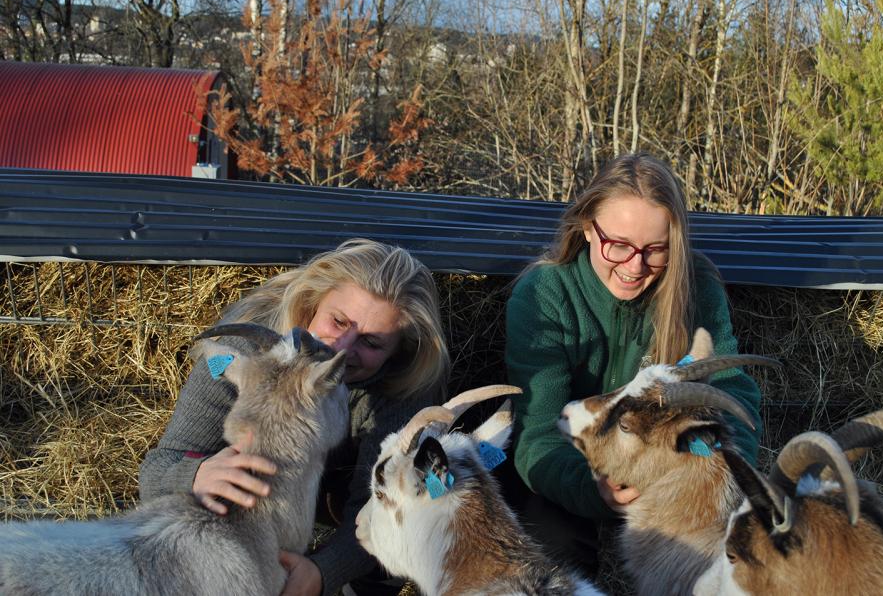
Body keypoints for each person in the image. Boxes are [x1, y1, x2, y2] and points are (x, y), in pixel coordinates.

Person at [139, 238, 451, 596]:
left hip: (338, 493)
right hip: (256, 499)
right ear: (312, 303)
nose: (340, 348)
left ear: (398, 351)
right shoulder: (244, 353)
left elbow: (382, 510)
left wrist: (323, 571)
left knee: (403, 531)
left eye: (371, 343)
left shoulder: (404, 390)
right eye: (338, 321)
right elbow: (158, 470)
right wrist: (195, 474)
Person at [503, 152, 762, 574]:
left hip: (670, 468)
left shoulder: (695, 286)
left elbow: (731, 392)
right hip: (578, 462)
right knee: (555, 549)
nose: (635, 266)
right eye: (618, 245)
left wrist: (723, 477)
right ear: (587, 227)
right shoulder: (545, 294)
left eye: (656, 249)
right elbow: (538, 436)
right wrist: (594, 490)